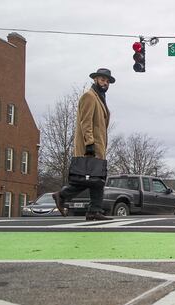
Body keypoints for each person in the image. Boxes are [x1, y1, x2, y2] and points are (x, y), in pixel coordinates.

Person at [52, 68, 114, 221]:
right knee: (88, 178)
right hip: (90, 146)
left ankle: (94, 210)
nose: (105, 83)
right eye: (102, 79)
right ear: (95, 80)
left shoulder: (99, 97)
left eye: (107, 81)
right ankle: (62, 195)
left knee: (97, 179)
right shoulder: (89, 96)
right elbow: (85, 121)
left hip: (98, 146)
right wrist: (90, 143)